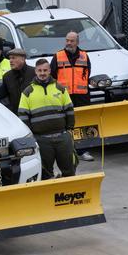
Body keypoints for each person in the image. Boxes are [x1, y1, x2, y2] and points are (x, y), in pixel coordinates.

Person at [19, 59, 76, 179]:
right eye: (39, 70)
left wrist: (69, 129)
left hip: (62, 136)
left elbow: (69, 109)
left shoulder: (60, 88)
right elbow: (23, 116)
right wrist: (31, 136)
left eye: (45, 70)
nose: (42, 73)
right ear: (35, 71)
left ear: (50, 70)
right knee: (45, 173)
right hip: (41, 139)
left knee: (69, 169)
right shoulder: (27, 92)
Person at [50, 31, 94, 161]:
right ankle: (68, 151)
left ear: (77, 42)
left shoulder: (85, 56)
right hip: (64, 96)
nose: (69, 43)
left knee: (84, 122)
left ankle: (83, 150)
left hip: (82, 96)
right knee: (65, 124)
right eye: (67, 40)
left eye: (72, 41)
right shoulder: (58, 56)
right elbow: (52, 76)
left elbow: (87, 73)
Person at [0, 48, 35, 112]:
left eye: (13, 58)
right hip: (16, 115)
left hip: (33, 113)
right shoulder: (7, 77)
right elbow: (0, 95)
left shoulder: (34, 73)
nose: (10, 61)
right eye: (10, 58)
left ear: (22, 59)